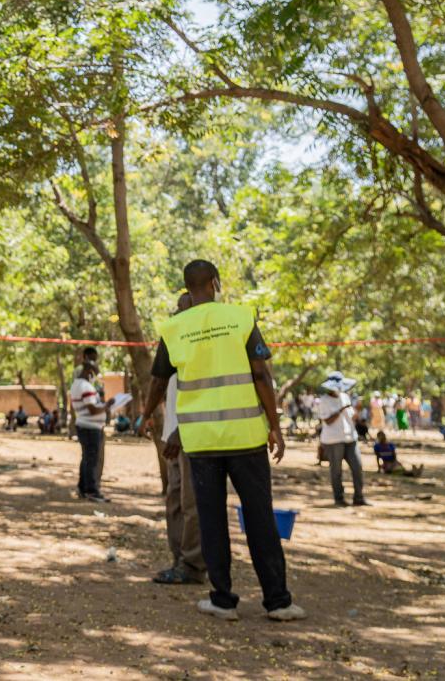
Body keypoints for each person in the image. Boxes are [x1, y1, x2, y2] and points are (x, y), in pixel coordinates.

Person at [143, 260, 305, 622]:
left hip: (202, 443)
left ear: (186, 288)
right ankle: (278, 602)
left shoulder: (174, 328)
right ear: (215, 282)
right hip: (245, 437)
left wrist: (144, 414)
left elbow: (157, 380)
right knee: (260, 516)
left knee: (212, 519)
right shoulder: (241, 318)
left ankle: (223, 601)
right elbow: (261, 374)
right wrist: (274, 425)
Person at [149, 293, 206, 586]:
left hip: (189, 435)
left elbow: (200, 395)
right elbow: (163, 384)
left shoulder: (203, 345)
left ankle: (193, 564)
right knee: (174, 500)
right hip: (172, 434)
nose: (178, 314)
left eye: (184, 309)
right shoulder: (174, 341)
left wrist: (179, 431)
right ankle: (179, 560)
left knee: (191, 503)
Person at [315, 372, 368, 507]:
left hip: (350, 437)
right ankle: (339, 499)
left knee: (357, 467)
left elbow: (351, 416)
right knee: (336, 471)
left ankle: (359, 498)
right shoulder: (324, 401)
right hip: (333, 440)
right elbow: (327, 421)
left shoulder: (345, 397)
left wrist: (358, 413)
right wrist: (340, 410)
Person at [69, 351, 110, 503]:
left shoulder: (76, 384)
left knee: (86, 458)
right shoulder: (85, 387)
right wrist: (107, 406)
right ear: (89, 371)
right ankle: (91, 490)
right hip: (90, 426)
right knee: (91, 460)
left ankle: (83, 488)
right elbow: (92, 409)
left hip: (84, 425)